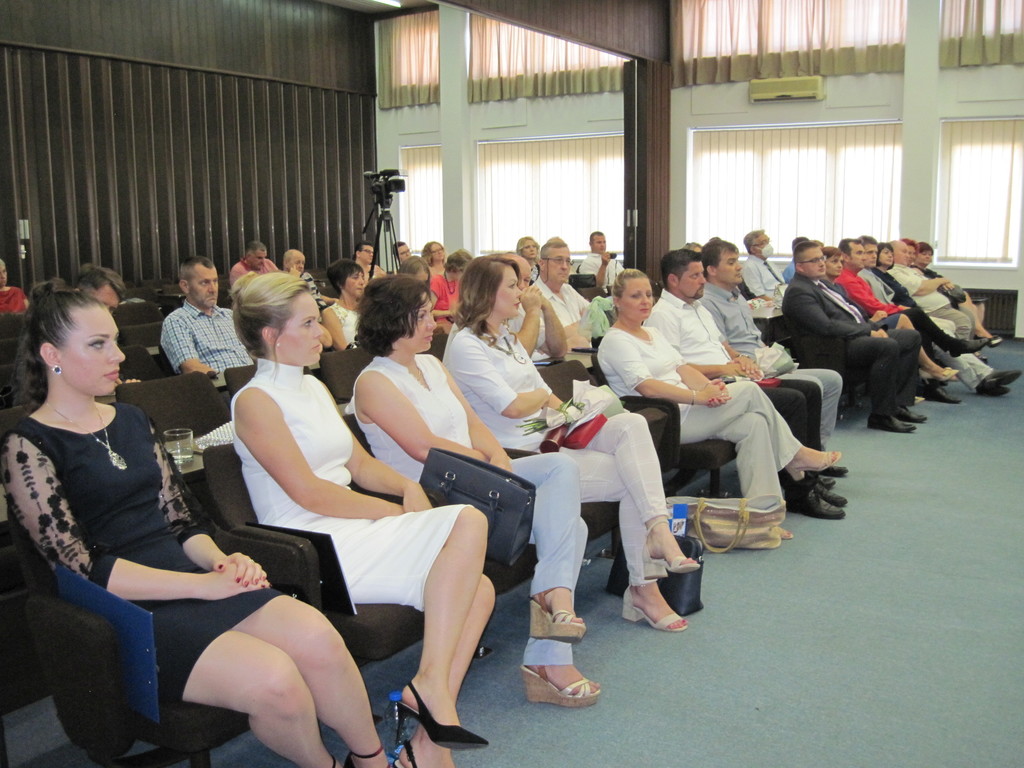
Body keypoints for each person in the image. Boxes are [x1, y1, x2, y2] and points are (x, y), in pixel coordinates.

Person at [1, 282, 389, 768]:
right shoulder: (27, 446)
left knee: (319, 638)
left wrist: (222, 561)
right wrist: (203, 586)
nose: (118, 355)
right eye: (98, 344)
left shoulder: (131, 419)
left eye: (115, 340)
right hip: (126, 609)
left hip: (189, 575)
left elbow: (183, 520)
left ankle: (372, 760)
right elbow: (82, 570)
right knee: (276, 681)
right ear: (51, 355)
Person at [231, 273, 494, 767]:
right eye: (308, 324)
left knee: (479, 590)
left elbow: (358, 465)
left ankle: (428, 733)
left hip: (352, 527)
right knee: (468, 521)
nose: (323, 333)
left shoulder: (311, 386)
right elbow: (309, 493)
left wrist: (407, 487)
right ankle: (429, 692)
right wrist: (397, 513)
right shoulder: (254, 401)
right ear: (271, 335)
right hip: (313, 546)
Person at [352, 275, 599, 708]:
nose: (434, 323)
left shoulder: (431, 365)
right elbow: (424, 447)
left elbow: (472, 422)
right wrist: (490, 467)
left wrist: (499, 459)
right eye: (422, 316)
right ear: (394, 321)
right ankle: (549, 648)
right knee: (571, 528)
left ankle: (552, 605)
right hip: (436, 498)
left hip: (477, 482)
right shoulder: (373, 381)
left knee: (560, 468)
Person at [446, 255, 702, 635]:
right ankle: (644, 585)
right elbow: (512, 406)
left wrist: (574, 410)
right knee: (636, 475)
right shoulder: (466, 345)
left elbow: (545, 395)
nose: (522, 292)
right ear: (487, 293)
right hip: (523, 459)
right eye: (513, 286)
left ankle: (657, 534)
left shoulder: (505, 339)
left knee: (631, 425)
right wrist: (540, 400)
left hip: (550, 437)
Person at [600, 269, 843, 520]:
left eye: (648, 294)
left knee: (754, 423)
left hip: (691, 409)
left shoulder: (653, 333)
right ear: (617, 301)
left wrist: (709, 389)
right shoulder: (617, 340)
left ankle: (763, 515)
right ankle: (795, 455)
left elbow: (683, 369)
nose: (645, 301)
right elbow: (647, 387)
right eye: (635, 296)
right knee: (749, 390)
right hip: (667, 420)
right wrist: (698, 397)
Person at [699, 241, 845, 455]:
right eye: (731, 263)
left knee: (832, 379)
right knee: (813, 385)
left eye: (737, 261)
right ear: (712, 270)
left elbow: (755, 338)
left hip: (764, 362)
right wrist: (752, 362)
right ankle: (804, 454)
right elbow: (723, 348)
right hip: (746, 370)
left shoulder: (736, 295)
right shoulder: (707, 303)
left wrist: (773, 357)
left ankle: (815, 448)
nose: (739, 267)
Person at [782, 241, 924, 433]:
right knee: (887, 346)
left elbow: (854, 313)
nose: (821, 263)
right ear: (799, 267)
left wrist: (874, 327)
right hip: (832, 347)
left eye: (821, 258)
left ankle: (897, 404)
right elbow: (826, 326)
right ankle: (881, 415)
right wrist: (868, 331)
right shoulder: (799, 291)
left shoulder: (824, 284)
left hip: (851, 337)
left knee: (910, 337)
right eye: (814, 260)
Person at [160, 257, 251, 376]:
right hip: (221, 384)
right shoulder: (177, 321)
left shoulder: (230, 315)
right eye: (205, 283)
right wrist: (235, 379)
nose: (213, 289)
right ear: (185, 286)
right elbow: (191, 368)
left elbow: (256, 353)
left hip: (254, 380)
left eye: (215, 281)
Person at [535, 238, 591, 349]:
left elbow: (595, 318)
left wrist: (569, 330)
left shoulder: (568, 290)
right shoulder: (535, 297)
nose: (565, 267)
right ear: (542, 264)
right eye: (558, 260)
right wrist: (583, 324)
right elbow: (551, 341)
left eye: (568, 261)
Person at [321, 259, 366, 350]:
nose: (362, 282)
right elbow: (343, 350)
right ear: (340, 283)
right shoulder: (330, 313)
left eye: (362, 277)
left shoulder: (367, 308)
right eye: (355, 277)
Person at [430, 250, 472, 330]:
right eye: (464, 272)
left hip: (457, 323)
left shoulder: (459, 281)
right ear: (454, 270)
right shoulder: (436, 281)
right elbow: (429, 312)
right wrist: (450, 313)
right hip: (442, 327)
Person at [741, 229, 786, 301]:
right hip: (771, 304)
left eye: (768, 242)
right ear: (753, 249)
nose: (768, 245)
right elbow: (758, 296)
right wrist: (780, 304)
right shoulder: (750, 267)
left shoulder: (769, 263)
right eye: (763, 243)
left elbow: (781, 283)